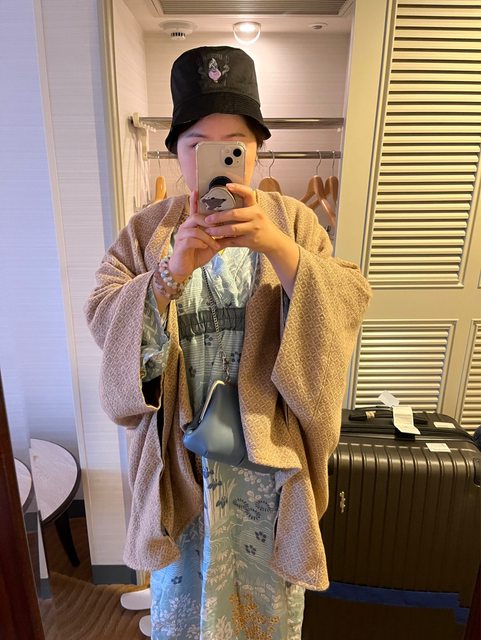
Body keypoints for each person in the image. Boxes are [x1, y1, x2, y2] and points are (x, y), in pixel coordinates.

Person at [85, 45, 371, 640]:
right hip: (182, 465)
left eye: (234, 144)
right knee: (187, 609)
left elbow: (346, 301)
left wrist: (282, 253)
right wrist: (166, 276)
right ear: (177, 152)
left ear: (257, 150)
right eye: (197, 144)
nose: (215, 159)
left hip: (267, 470)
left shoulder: (295, 223)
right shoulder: (147, 231)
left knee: (264, 614)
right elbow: (104, 312)